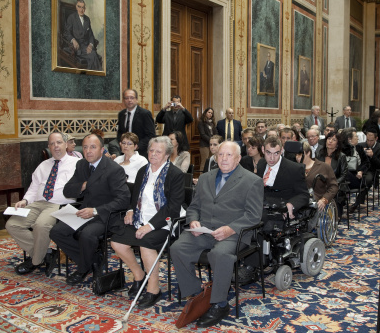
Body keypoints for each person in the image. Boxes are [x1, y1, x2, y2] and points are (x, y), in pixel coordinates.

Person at [171, 141, 264, 328]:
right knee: (177, 248)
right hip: (204, 230)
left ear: (238, 159)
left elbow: (254, 216)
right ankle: (199, 296)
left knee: (219, 254)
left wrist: (230, 228)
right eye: (220, 155)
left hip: (234, 233)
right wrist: (193, 220)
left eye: (229, 155)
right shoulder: (205, 178)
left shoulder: (252, 180)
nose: (223, 158)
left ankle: (220, 304)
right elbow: (194, 207)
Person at [110, 136, 184, 308]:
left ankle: (153, 289)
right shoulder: (143, 170)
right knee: (117, 241)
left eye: (158, 151)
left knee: (146, 243)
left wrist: (149, 226)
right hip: (140, 219)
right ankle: (139, 275)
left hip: (164, 223)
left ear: (167, 154)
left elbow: (172, 208)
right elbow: (135, 196)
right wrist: (130, 210)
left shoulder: (175, 174)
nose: (153, 154)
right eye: (151, 150)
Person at [50, 133, 130, 285]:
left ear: (102, 149)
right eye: (85, 147)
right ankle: (93, 260)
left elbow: (123, 200)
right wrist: (83, 185)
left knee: (87, 235)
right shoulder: (82, 165)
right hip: (84, 211)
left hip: (106, 215)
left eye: (93, 147)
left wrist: (95, 211)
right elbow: (68, 191)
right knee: (56, 231)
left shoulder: (113, 169)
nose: (88, 151)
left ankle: (82, 268)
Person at [6, 133, 80, 276]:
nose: (55, 146)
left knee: (41, 225)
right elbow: (33, 187)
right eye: (52, 144)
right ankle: (47, 253)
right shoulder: (43, 165)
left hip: (59, 204)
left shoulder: (76, 164)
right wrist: (25, 201)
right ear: (48, 146)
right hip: (38, 203)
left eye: (58, 142)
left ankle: (35, 261)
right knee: (12, 224)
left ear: (66, 144)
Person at [238, 136, 309, 283]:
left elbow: (303, 195)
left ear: (281, 151)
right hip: (260, 205)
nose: (272, 157)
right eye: (269, 153)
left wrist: (291, 204)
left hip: (279, 210)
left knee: (256, 223)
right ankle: (238, 255)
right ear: (263, 150)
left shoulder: (294, 168)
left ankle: (251, 267)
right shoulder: (262, 163)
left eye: (276, 153)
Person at [63, 0, 102, 70]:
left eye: (83, 7)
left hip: (86, 46)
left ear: (85, 8)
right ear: (76, 7)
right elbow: (67, 33)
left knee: (93, 54)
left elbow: (90, 34)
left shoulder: (87, 19)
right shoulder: (71, 18)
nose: (81, 9)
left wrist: (90, 45)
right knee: (93, 55)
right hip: (76, 47)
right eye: (79, 7)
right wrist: (73, 40)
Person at [117, 89, 156, 158]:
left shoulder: (145, 114)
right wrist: (122, 144)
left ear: (137, 100)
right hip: (125, 153)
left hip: (141, 153)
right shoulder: (121, 114)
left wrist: (136, 146)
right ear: (124, 100)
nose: (129, 100)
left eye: (132, 98)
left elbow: (151, 135)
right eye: (126, 98)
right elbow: (120, 132)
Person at [301, 141, 338, 210]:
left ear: (308, 153)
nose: (297, 157)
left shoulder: (324, 167)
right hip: (299, 201)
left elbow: (333, 186)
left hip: (317, 202)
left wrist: (325, 199)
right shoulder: (294, 167)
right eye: (296, 155)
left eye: (300, 154)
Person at [197, 107, 218, 172]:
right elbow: (202, 134)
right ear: (205, 113)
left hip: (212, 145)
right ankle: (201, 177)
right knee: (204, 161)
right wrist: (211, 141)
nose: (210, 114)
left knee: (212, 161)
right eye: (209, 112)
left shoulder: (212, 123)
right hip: (204, 145)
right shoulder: (201, 122)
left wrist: (215, 140)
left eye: (211, 113)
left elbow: (216, 133)